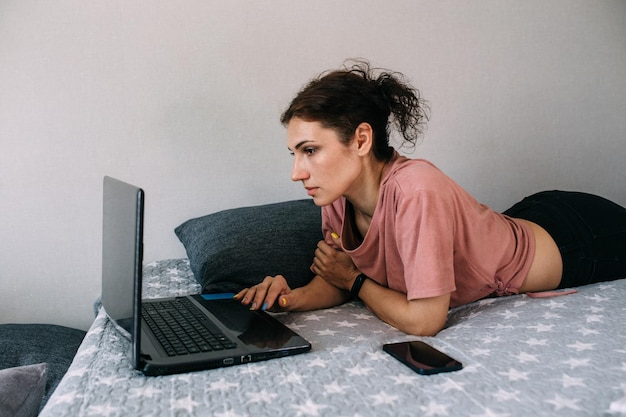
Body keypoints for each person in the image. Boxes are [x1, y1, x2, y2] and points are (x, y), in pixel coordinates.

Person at [234, 59, 626, 336]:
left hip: (579, 239)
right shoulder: (336, 196)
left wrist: (353, 280)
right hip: (522, 218)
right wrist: (286, 300)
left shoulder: (416, 190)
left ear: (361, 140)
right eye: (294, 154)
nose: (297, 172)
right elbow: (335, 280)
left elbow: (424, 321)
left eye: (310, 151)